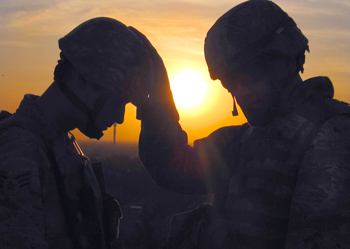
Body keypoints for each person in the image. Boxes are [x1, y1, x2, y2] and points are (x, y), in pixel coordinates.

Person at [137, 0, 350, 248]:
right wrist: (156, 99)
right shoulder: (244, 138)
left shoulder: (332, 136)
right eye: (230, 82)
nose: (241, 92)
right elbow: (173, 168)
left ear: (285, 61)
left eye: (249, 75)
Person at [0, 17, 155, 249]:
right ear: (87, 81)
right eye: (120, 101)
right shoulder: (19, 151)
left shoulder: (64, 146)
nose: (120, 118)